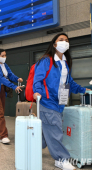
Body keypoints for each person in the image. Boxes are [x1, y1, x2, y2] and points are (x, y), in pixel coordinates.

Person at [33, 33, 91, 170]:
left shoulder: (65, 63)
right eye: (61, 40)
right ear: (54, 44)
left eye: (66, 40)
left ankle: (31, 148)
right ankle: (61, 159)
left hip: (60, 103)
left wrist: (83, 90)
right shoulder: (46, 60)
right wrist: (37, 92)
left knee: (47, 131)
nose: (64, 42)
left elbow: (69, 82)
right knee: (55, 130)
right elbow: (38, 79)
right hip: (48, 102)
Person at [0, 49, 23, 144]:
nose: (4, 57)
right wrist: (14, 86)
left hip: (2, 91)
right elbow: (1, 78)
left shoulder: (4, 65)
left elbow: (10, 75)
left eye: (5, 55)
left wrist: (17, 79)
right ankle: (3, 135)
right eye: (2, 55)